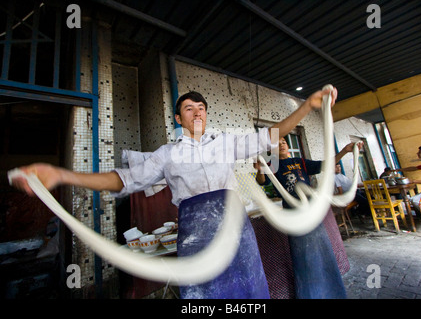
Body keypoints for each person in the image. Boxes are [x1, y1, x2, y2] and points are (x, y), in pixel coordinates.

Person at [10, 88, 338, 299]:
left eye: (201, 108)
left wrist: (308, 106)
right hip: (196, 236)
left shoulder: (226, 143)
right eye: (189, 109)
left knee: (249, 295)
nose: (197, 112)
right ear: (179, 118)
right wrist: (61, 174)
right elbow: (121, 180)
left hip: (238, 233)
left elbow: (271, 135)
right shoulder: (166, 154)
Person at [254, 138, 357, 299]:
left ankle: (333, 291)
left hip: (311, 209)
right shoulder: (272, 165)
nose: (281, 144)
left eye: (283, 141)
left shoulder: (299, 161)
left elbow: (325, 164)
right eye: (277, 143)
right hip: (293, 212)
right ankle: (309, 294)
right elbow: (262, 181)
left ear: (287, 146)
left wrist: (344, 150)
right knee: (302, 255)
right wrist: (261, 169)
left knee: (323, 249)